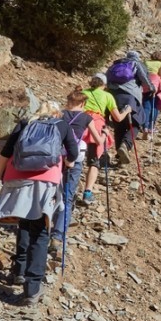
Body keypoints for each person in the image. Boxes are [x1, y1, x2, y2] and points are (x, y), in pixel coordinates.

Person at [0, 102, 79, 305]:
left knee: (24, 223)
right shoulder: (61, 125)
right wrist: (68, 162)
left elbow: (6, 153)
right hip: (46, 182)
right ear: (56, 113)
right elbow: (74, 153)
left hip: (15, 179)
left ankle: (18, 271)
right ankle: (32, 288)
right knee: (41, 231)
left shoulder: (25, 123)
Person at [50, 88, 106, 253]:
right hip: (74, 159)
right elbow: (98, 141)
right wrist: (105, 134)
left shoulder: (58, 114)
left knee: (51, 192)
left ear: (68, 101)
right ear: (83, 103)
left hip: (55, 158)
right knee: (67, 197)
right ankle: (57, 236)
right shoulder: (86, 118)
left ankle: (44, 226)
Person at [80, 74, 130, 202]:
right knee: (94, 161)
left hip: (80, 125)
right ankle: (87, 192)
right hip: (96, 126)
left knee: (74, 159)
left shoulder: (83, 92)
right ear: (105, 84)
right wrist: (127, 111)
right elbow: (117, 118)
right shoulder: (108, 96)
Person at [106, 50, 153, 164]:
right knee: (136, 123)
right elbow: (144, 78)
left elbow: (106, 78)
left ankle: (119, 154)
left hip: (113, 96)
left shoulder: (115, 65)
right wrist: (151, 88)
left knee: (119, 126)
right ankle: (125, 145)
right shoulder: (136, 63)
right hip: (131, 96)